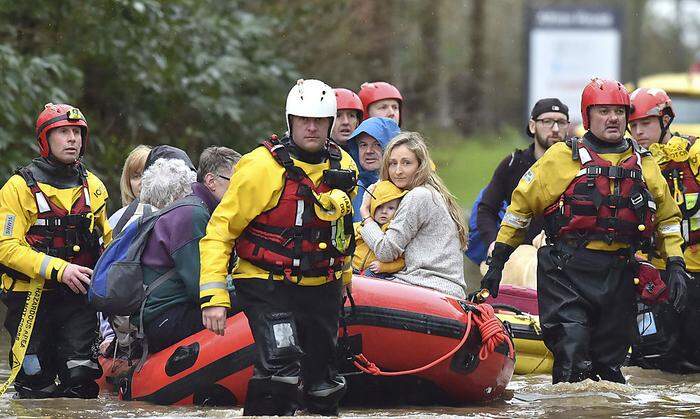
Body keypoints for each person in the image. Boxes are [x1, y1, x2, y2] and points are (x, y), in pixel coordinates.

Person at [481, 78, 689, 384]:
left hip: (619, 273)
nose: (613, 118)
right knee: (572, 352)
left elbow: (669, 217)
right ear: (588, 116)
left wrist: (675, 262)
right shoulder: (562, 157)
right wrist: (498, 263)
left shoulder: (644, 164)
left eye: (619, 111)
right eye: (604, 111)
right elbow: (519, 211)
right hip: (567, 272)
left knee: (610, 367)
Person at [199, 79, 358, 416]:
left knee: (324, 383)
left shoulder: (344, 165)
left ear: (330, 123)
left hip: (321, 286)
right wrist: (214, 298)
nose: (311, 127)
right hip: (266, 282)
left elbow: (341, 235)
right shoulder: (260, 167)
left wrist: (344, 282)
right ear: (290, 121)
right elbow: (220, 231)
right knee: (281, 372)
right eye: (304, 120)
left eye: (319, 121)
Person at [0, 103, 112, 398]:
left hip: (78, 298)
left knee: (82, 376)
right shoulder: (17, 188)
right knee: (36, 382)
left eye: (76, 133)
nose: (72, 139)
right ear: (45, 140)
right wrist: (59, 269)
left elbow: (110, 244)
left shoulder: (95, 187)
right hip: (30, 298)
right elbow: (6, 247)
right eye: (63, 132)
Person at [136, 146, 240, 353]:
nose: (243, 189)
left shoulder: (197, 206)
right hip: (166, 318)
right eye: (237, 182)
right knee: (259, 297)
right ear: (211, 181)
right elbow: (200, 287)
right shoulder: (193, 214)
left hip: (170, 313)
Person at [628, 87, 700, 373]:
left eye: (645, 123)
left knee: (692, 357)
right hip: (654, 273)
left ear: (665, 120)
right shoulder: (632, 162)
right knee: (654, 360)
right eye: (633, 126)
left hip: (695, 268)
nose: (638, 131)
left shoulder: (694, 153)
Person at [358, 132, 468, 299]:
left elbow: (386, 251)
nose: (398, 171)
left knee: (355, 284)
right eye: (392, 163)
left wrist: (365, 214)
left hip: (427, 287)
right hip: (442, 289)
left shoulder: (418, 196)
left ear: (420, 165)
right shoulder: (432, 192)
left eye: (406, 163)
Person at [469, 98, 569, 266]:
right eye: (547, 121)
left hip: (562, 262)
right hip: (517, 262)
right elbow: (486, 209)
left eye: (561, 122)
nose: (555, 129)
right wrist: (494, 243)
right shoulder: (512, 165)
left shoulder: (577, 166)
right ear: (532, 125)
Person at [346, 117, 401, 221]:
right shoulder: (350, 187)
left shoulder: (406, 187)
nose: (368, 151)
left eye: (377, 144)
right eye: (363, 145)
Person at [353, 180, 406, 276]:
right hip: (353, 268)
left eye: (390, 208)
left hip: (375, 272)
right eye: (379, 207)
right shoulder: (360, 226)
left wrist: (384, 267)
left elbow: (402, 261)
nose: (384, 211)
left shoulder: (394, 231)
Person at [108, 144, 151, 228]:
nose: (142, 181)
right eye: (136, 176)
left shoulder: (172, 216)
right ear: (128, 183)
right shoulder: (117, 219)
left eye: (147, 174)